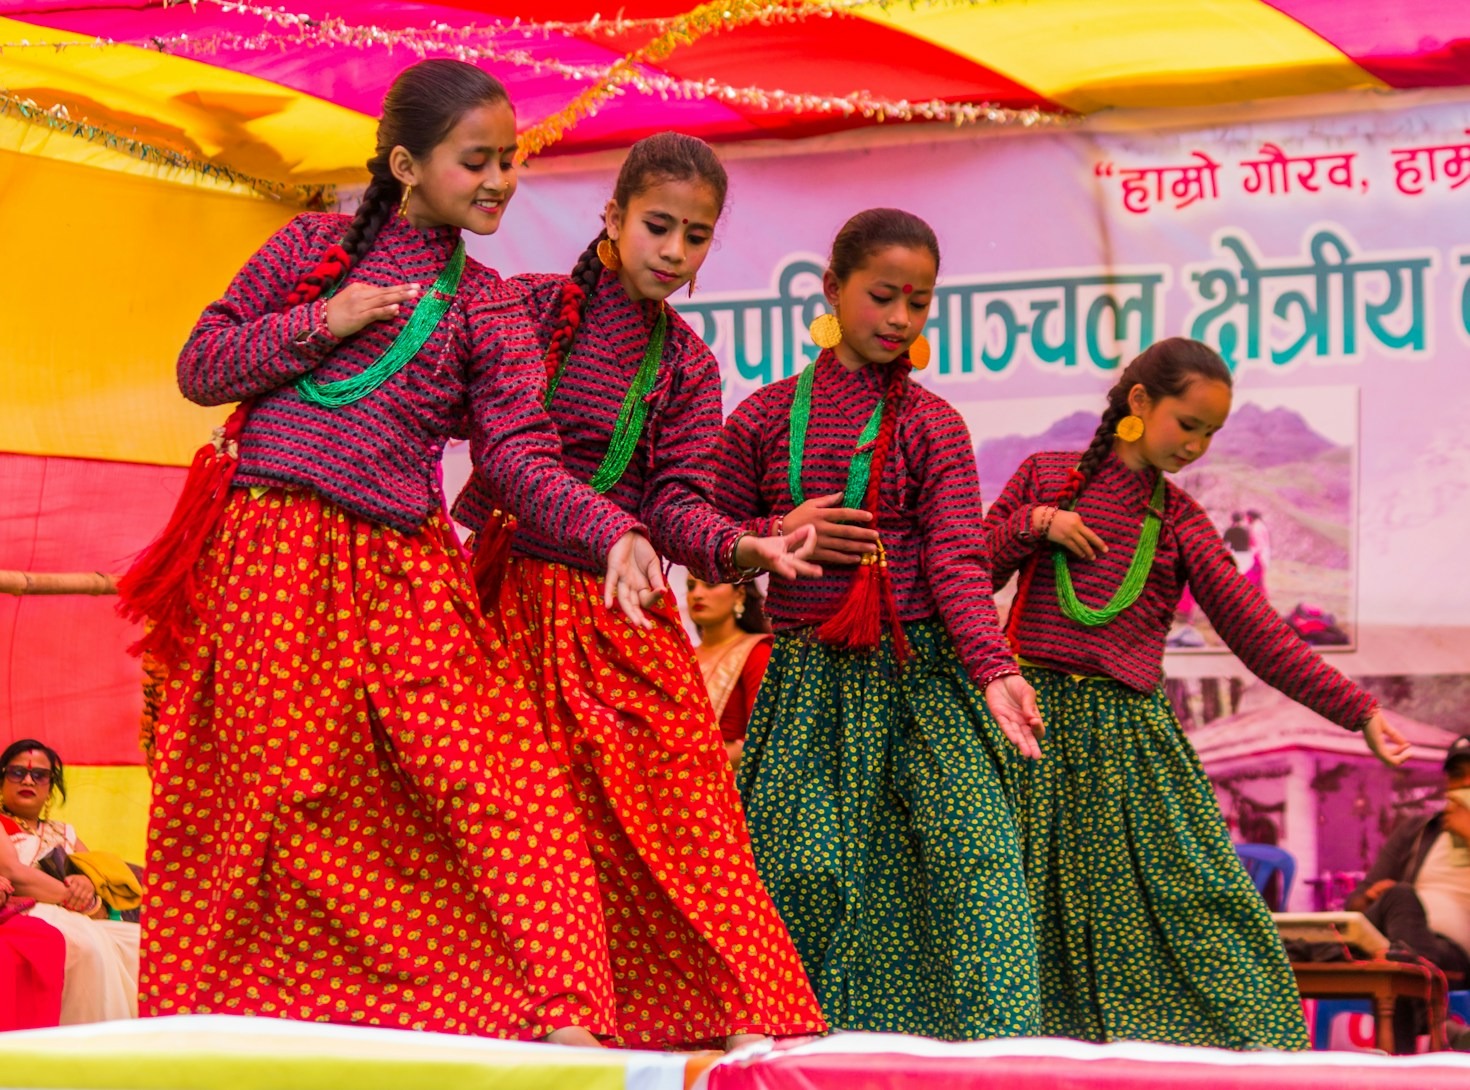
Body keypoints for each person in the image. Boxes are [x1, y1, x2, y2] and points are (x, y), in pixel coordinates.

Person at [115, 59, 674, 1041]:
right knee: (266, 800)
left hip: (402, 570)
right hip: (272, 552)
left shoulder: (490, 306)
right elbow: (202, 364)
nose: (500, 181)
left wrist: (614, 527)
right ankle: (216, 1030)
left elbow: (520, 459)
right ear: (407, 165)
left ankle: (555, 1017)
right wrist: (321, 321)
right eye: (477, 161)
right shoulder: (312, 246)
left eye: (510, 162)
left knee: (498, 780)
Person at [455, 132, 825, 1050]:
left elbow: (677, 504)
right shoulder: (529, 312)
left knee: (685, 804)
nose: (673, 251)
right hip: (508, 603)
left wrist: (742, 547)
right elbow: (506, 457)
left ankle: (739, 1015)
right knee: (523, 817)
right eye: (658, 226)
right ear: (613, 218)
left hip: (620, 611)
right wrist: (607, 527)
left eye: (695, 238)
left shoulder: (689, 366)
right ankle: (540, 1015)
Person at [983, 336, 1411, 1050]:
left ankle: (1253, 1059)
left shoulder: (1181, 521)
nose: (1198, 446)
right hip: (1027, 733)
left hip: (1132, 750)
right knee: (1024, 918)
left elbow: (1261, 636)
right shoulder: (1047, 476)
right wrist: (1037, 524)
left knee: (1199, 904)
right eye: (1189, 425)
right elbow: (969, 570)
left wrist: (1359, 711)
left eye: (1212, 435)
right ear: (1142, 402)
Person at [708, 207, 1045, 1040]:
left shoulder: (935, 425)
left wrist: (995, 671)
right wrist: (775, 541)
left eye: (920, 303)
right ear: (833, 289)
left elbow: (959, 564)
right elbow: (708, 549)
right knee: (803, 873)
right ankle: (796, 1056)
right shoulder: (760, 418)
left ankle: (985, 1065)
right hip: (810, 687)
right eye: (883, 296)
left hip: (926, 683)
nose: (900, 319)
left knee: (979, 872)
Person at [1345, 734, 1470, 1050]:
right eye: (1457, 776)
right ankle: (1435, 1025)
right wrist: (1374, 896)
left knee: (1397, 960)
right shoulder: (1418, 829)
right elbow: (1354, 906)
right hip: (1408, 935)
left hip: (1451, 955)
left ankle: (1406, 1058)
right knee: (1399, 903)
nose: (1465, 784)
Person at [0, 740, 138, 1024]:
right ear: (2, 780)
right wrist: (72, 896)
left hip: (83, 915)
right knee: (89, 946)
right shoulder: (2, 823)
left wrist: (87, 885)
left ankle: (138, 1042)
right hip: (31, 909)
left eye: (40, 775)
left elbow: (94, 876)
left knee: (139, 944)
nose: (28, 779)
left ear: (50, 787)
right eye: (17, 773)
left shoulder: (66, 833)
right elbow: (14, 874)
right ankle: (84, 1044)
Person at [687, 576, 773, 768]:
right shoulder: (681, 657)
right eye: (690, 587)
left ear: (740, 594)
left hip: (727, 787)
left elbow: (763, 737)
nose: (697, 594)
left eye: (710, 584)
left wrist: (691, 765)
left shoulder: (757, 652)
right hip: (674, 785)